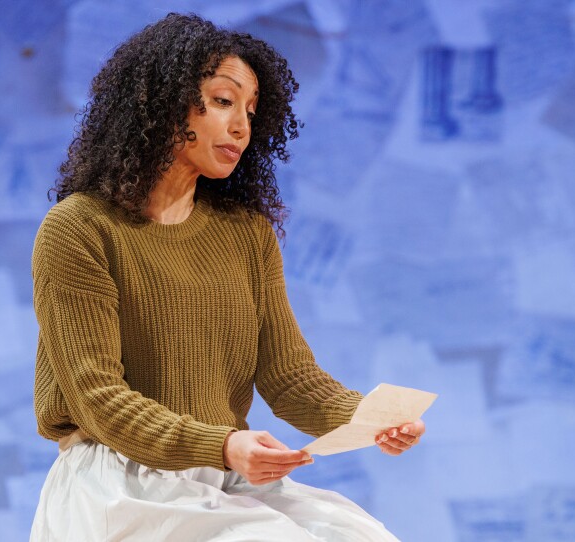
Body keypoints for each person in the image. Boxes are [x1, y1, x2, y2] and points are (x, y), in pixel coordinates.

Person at [29, 12, 425, 541]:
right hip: (120, 486)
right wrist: (221, 445)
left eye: (251, 110)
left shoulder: (246, 234)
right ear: (159, 103)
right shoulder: (78, 228)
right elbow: (97, 398)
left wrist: (372, 417)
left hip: (225, 481)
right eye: (222, 101)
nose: (241, 126)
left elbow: (290, 380)